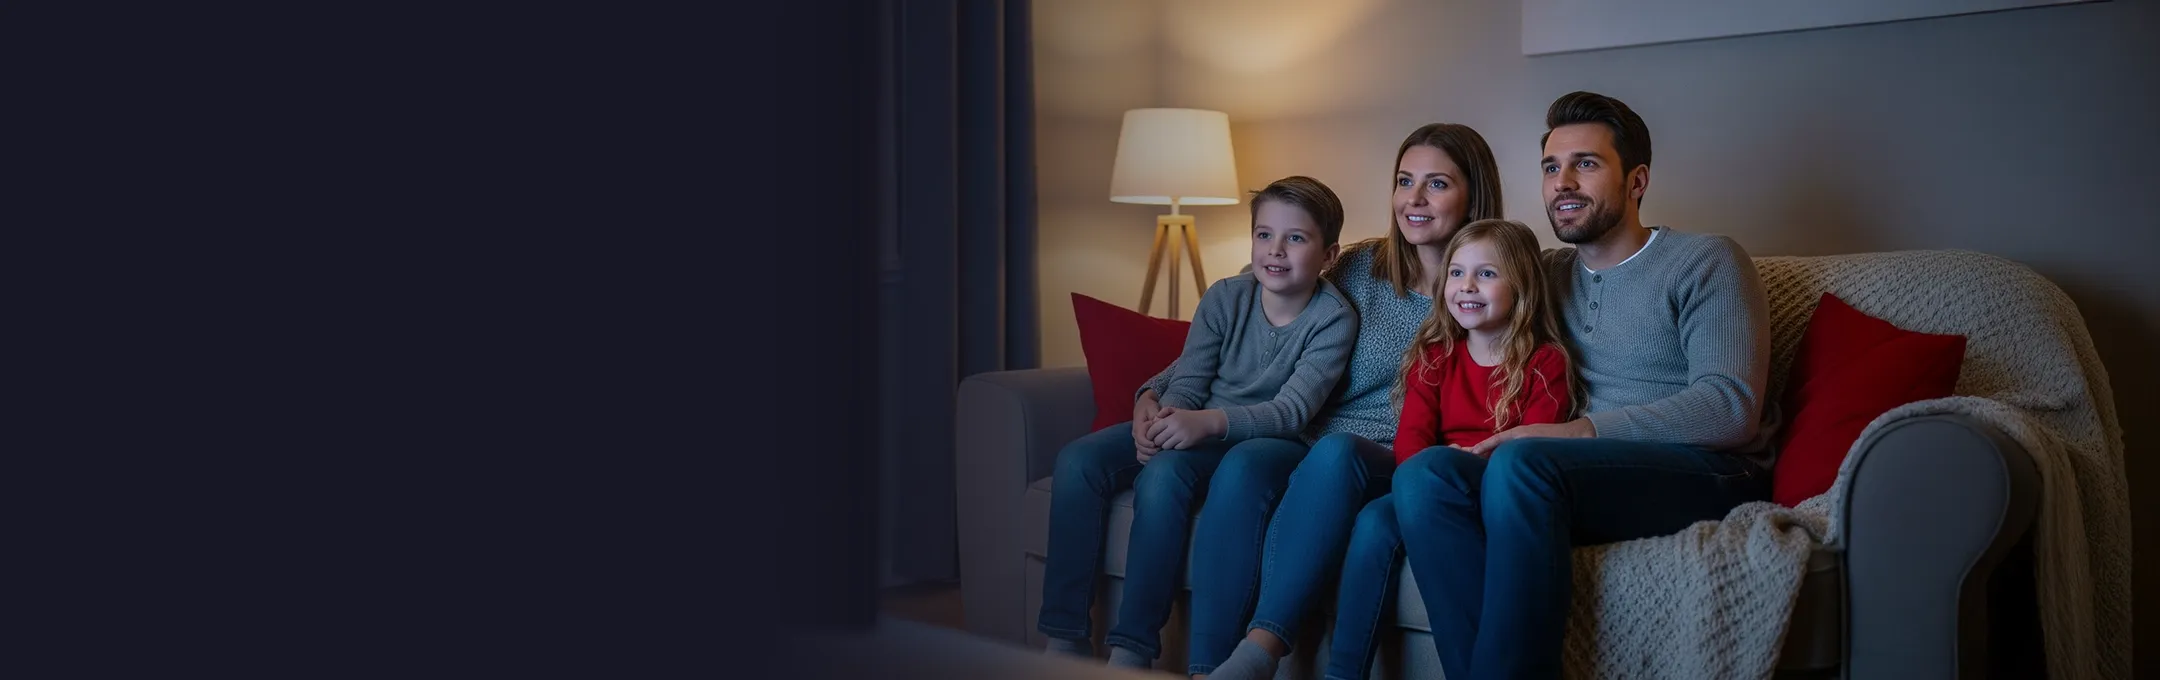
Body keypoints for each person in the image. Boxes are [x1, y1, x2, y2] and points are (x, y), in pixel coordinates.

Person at [1392, 90, 1779, 680]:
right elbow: (1463, 295)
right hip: (1573, 474)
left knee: (1523, 462)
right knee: (1425, 476)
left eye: (1586, 164)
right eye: (1551, 167)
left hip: (1707, 470)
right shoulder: (1544, 273)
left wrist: (1575, 432)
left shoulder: (1705, 261)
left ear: (1637, 180)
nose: (1563, 183)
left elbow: (1731, 407)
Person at [1145, 123, 1507, 680]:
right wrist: (1155, 389)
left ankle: (1261, 651)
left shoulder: (1482, 286)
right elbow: (1254, 310)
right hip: (1305, 433)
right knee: (1244, 463)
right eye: (1404, 181)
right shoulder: (1359, 265)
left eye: (1436, 184)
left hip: (1392, 453)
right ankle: (1207, 668)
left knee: (1337, 452)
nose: (1414, 198)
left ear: (1472, 195)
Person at [1038, 176, 1359, 671]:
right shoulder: (1225, 296)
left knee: (1165, 473)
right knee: (1078, 460)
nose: (1275, 250)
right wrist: (1158, 417)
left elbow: (1293, 411)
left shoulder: (1333, 318)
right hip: (1193, 420)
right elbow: (1189, 380)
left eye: (1295, 238)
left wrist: (1206, 424)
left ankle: (1132, 646)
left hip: (1261, 438)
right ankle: (1064, 638)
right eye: (1264, 234)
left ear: (1329, 255)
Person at [1302, 218, 1576, 680]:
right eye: (1456, 273)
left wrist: (1453, 466)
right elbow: (1412, 436)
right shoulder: (1435, 354)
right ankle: (1342, 672)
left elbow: (1534, 444)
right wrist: (1421, 481)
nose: (1467, 286)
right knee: (1373, 523)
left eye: (1486, 274)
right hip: (1428, 483)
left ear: (1522, 285)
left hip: (1494, 485)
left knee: (1422, 489)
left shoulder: (1544, 362)